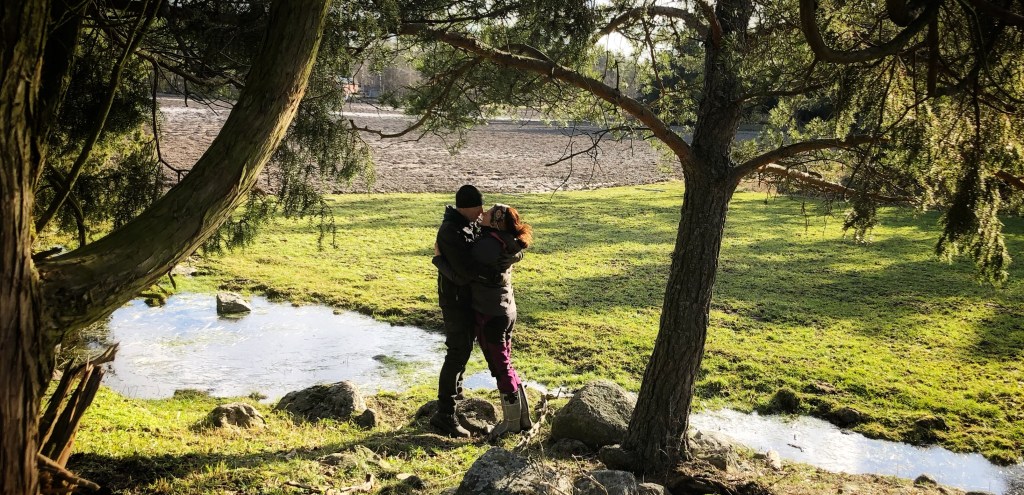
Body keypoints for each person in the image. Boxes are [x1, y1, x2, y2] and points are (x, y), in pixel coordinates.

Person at [433, 203, 533, 440]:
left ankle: (511, 424)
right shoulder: (506, 240)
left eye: (488, 213)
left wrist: (438, 259)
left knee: (500, 366)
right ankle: (522, 419)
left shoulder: (487, 245)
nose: (483, 213)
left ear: (496, 222)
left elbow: (463, 271)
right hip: (506, 310)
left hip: (491, 313)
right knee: (505, 363)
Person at [428, 185, 485, 438]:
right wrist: (438, 261)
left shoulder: (467, 225)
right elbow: (463, 275)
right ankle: (445, 415)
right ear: (466, 207)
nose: (482, 212)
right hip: (454, 301)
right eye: (478, 207)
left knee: (463, 350)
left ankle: (456, 403)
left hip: (465, 300)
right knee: (457, 352)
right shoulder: (451, 230)